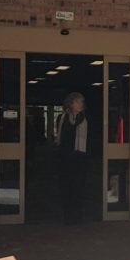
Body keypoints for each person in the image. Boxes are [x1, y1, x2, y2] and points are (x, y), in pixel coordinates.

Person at [57, 91, 88, 224]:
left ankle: (78, 214)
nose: (81, 104)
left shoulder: (83, 119)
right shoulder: (63, 117)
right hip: (65, 156)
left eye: (82, 102)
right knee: (66, 185)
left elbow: (84, 139)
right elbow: (59, 136)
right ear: (71, 103)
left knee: (78, 185)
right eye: (78, 102)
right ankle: (67, 214)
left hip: (78, 156)